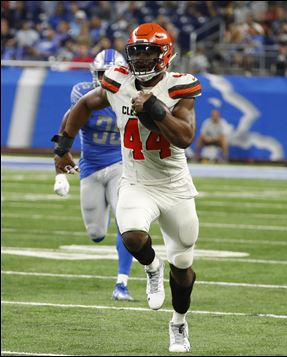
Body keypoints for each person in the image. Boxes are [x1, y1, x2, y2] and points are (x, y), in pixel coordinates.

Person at [52, 23, 201, 353]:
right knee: (131, 235)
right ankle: (151, 267)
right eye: (136, 52)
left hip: (175, 186)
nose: (142, 59)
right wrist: (62, 147)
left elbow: (185, 137)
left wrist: (154, 108)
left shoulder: (181, 86)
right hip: (135, 180)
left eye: (149, 52)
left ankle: (178, 322)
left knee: (183, 267)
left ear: (165, 55)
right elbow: (84, 106)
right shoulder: (118, 80)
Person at [52, 49, 134, 301]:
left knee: (127, 222)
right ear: (93, 75)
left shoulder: (130, 94)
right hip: (90, 166)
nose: (106, 79)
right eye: (101, 74)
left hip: (121, 164)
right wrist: (59, 171)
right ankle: (106, 211)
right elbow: (67, 124)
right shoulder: (82, 93)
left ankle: (121, 283)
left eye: (111, 74)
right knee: (96, 234)